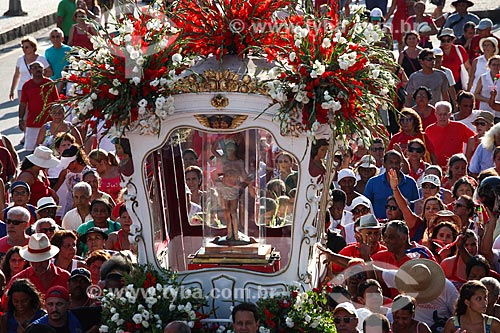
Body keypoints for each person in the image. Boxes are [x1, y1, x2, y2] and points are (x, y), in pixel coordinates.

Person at [7, 233, 70, 298]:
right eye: (34, 261)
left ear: (50, 257)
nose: (39, 264)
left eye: (42, 260)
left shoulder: (65, 277)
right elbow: (6, 305)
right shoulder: (18, 279)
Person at [18, 62, 59, 152]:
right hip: (32, 124)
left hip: (49, 123)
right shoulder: (26, 85)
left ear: (43, 70)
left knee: (50, 150)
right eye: (35, 67)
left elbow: (57, 103)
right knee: (31, 150)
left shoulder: (50, 83)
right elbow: (23, 104)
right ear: (30, 70)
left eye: (40, 67)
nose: (38, 69)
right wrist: (20, 119)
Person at [364, 150, 419, 219]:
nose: (394, 165)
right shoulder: (373, 183)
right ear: (384, 163)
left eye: (397, 163)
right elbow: (366, 207)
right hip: (378, 226)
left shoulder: (411, 183)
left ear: (401, 165)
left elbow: (416, 208)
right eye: (391, 162)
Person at [425, 101, 474, 168]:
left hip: (456, 169)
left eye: (445, 114)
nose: (442, 117)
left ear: (450, 114)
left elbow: (474, 140)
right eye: (440, 114)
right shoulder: (429, 130)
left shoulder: (460, 127)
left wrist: (467, 159)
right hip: (436, 168)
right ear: (435, 114)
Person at [9, 36, 52, 102]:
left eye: (26, 47)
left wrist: (40, 76)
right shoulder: (20, 59)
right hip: (22, 89)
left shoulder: (41, 59)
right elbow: (16, 76)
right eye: (22, 47)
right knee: (23, 109)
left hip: (37, 88)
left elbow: (50, 72)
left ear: (33, 47)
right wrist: (12, 90)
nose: (24, 49)